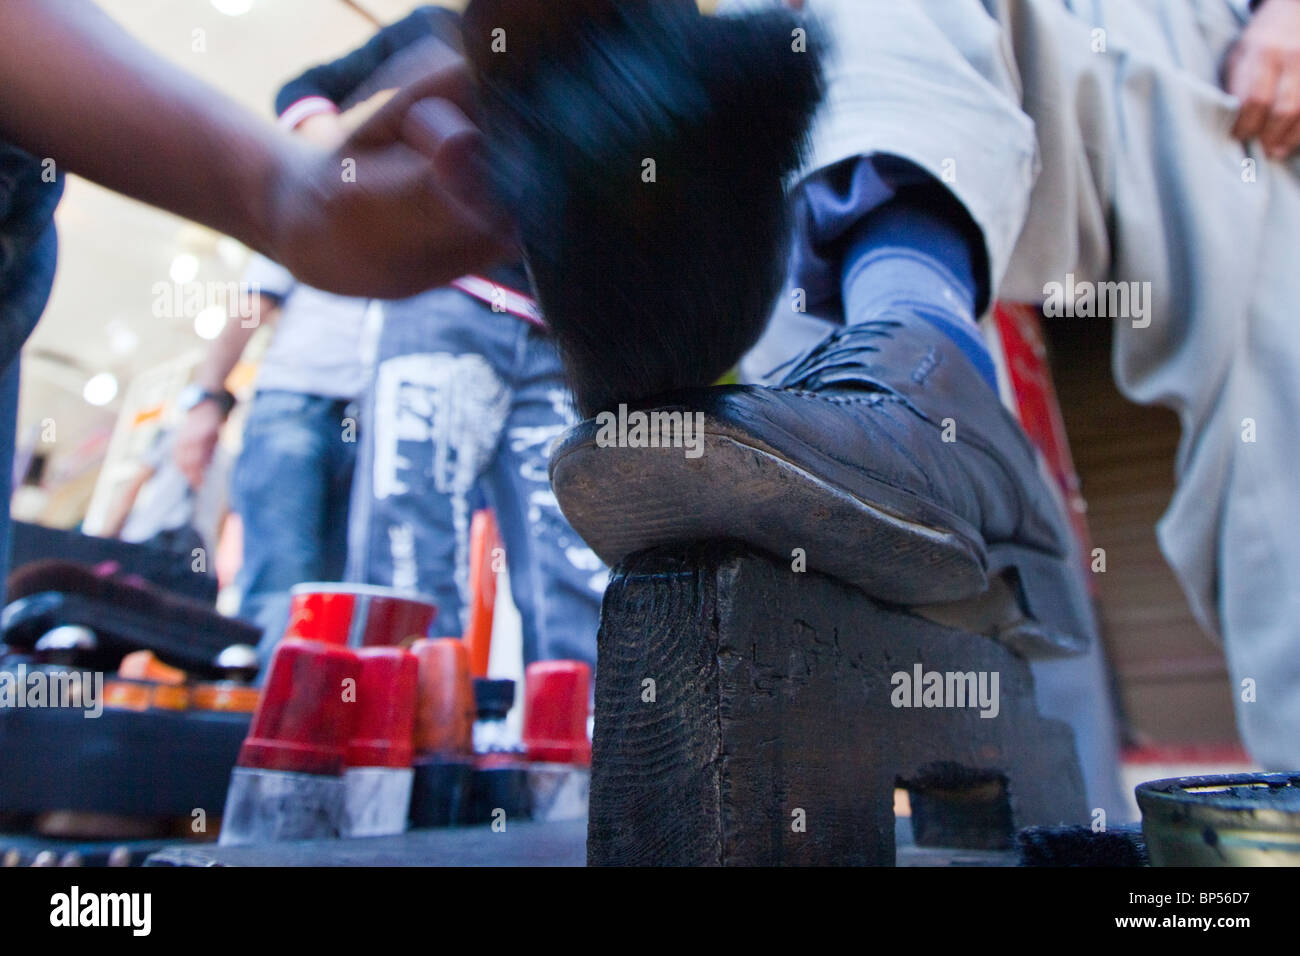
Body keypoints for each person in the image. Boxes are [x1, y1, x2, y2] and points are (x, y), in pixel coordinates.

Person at [543, 0, 1300, 814]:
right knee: (810, 122)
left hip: (1202, 35)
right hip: (916, 48)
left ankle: (924, 380)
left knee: (1272, 373)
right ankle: (910, 392)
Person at [0, 0, 509, 599]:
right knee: (285, 587)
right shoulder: (347, 182)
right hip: (297, 396)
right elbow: (255, 297)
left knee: (353, 588)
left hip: (366, 409)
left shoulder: (411, 226)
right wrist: (207, 399)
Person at [276, 5, 606, 669]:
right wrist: (351, 164)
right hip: (444, 301)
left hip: (555, 336)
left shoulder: (591, 70)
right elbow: (301, 91)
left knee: (570, 559)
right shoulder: (432, 31)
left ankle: (575, 750)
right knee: (412, 539)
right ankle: (402, 748)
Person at [172, 254, 370, 650]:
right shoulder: (311, 203)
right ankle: (265, 704)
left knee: (332, 595)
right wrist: (207, 397)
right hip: (294, 405)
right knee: (283, 582)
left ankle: (298, 703)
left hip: (366, 422)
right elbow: (253, 307)